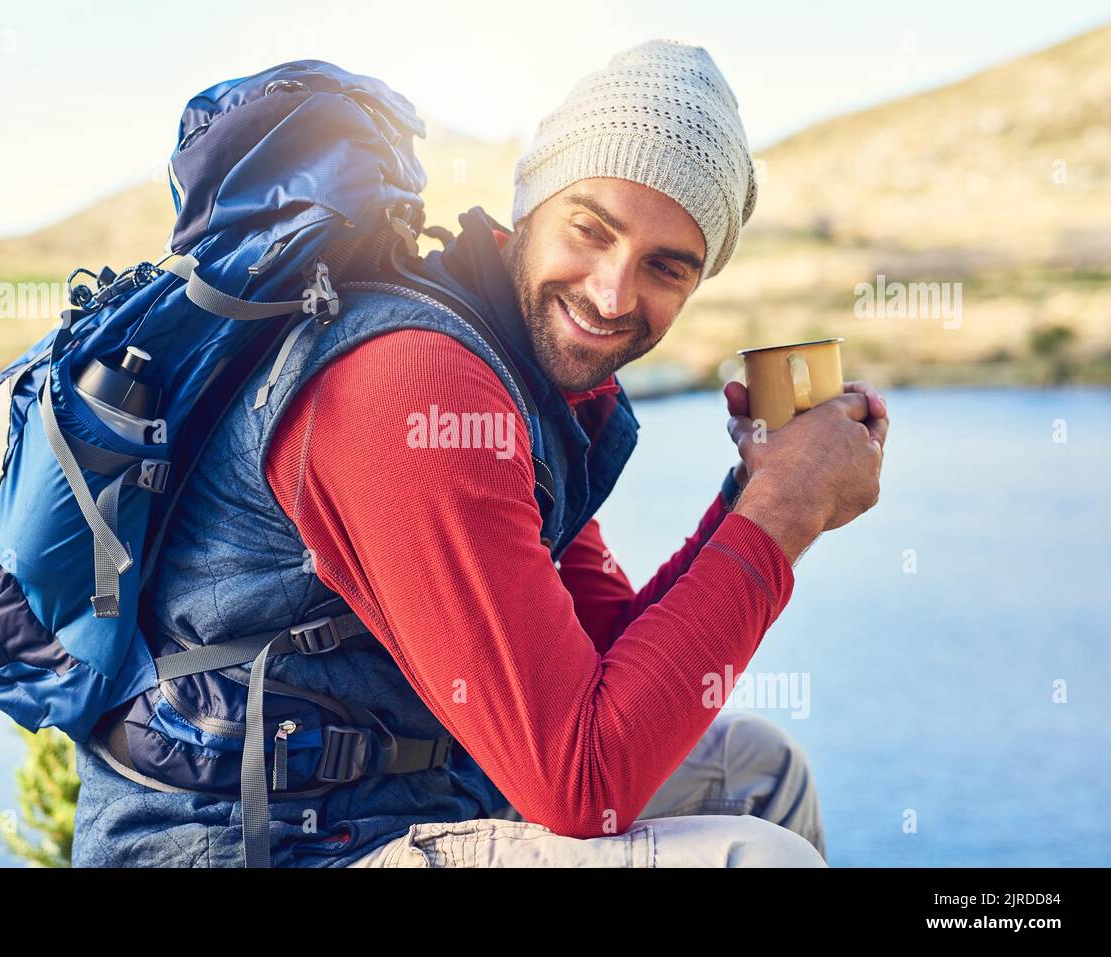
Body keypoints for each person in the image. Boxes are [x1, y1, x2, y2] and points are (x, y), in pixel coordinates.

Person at [72, 38, 887, 868]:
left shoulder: (524, 387)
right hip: (246, 846)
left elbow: (608, 675)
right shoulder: (420, 384)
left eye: (665, 267)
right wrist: (783, 512)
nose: (612, 293)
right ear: (529, 201)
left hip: (397, 809)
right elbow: (583, 782)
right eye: (591, 228)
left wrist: (754, 490)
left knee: (757, 771)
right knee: (752, 858)